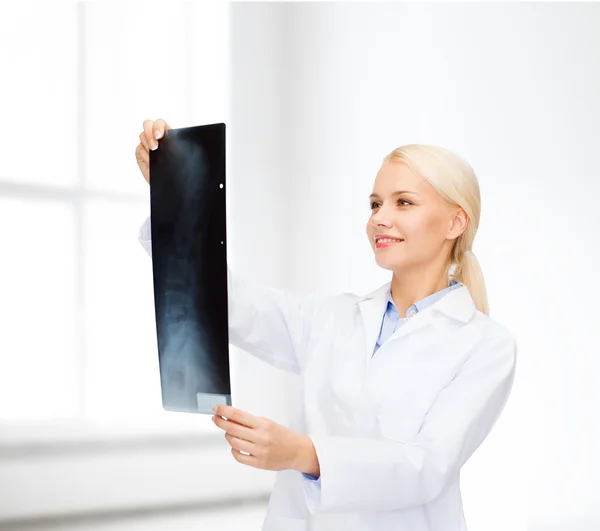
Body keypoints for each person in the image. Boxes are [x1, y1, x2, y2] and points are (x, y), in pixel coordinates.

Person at [135, 118, 517, 531]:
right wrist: (176, 194)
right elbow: (228, 302)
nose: (379, 219)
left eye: (403, 202)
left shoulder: (486, 345)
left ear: (455, 222)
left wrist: (303, 453)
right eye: (375, 204)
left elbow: (425, 467)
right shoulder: (332, 318)